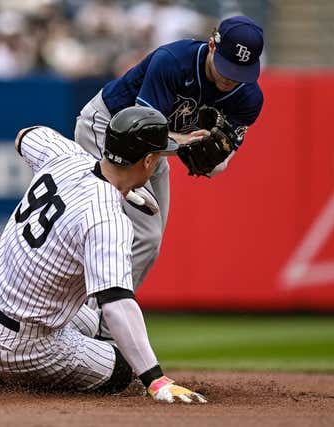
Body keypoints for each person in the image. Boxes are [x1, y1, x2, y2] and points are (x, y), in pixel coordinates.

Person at [0, 106, 207, 404]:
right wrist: (155, 379)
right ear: (148, 161)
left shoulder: (66, 156)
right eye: (158, 155)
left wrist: (122, 187)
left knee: (87, 320)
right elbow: (117, 304)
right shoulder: (107, 218)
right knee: (121, 369)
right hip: (14, 344)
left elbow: (25, 136)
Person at [74, 15, 264, 338]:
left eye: (241, 72)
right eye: (227, 65)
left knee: (150, 239)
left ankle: (95, 322)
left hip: (155, 151)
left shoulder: (248, 98)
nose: (232, 79)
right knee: (133, 234)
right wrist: (187, 142)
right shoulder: (173, 61)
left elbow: (219, 161)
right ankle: (96, 328)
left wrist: (212, 155)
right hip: (108, 131)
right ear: (212, 44)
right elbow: (141, 128)